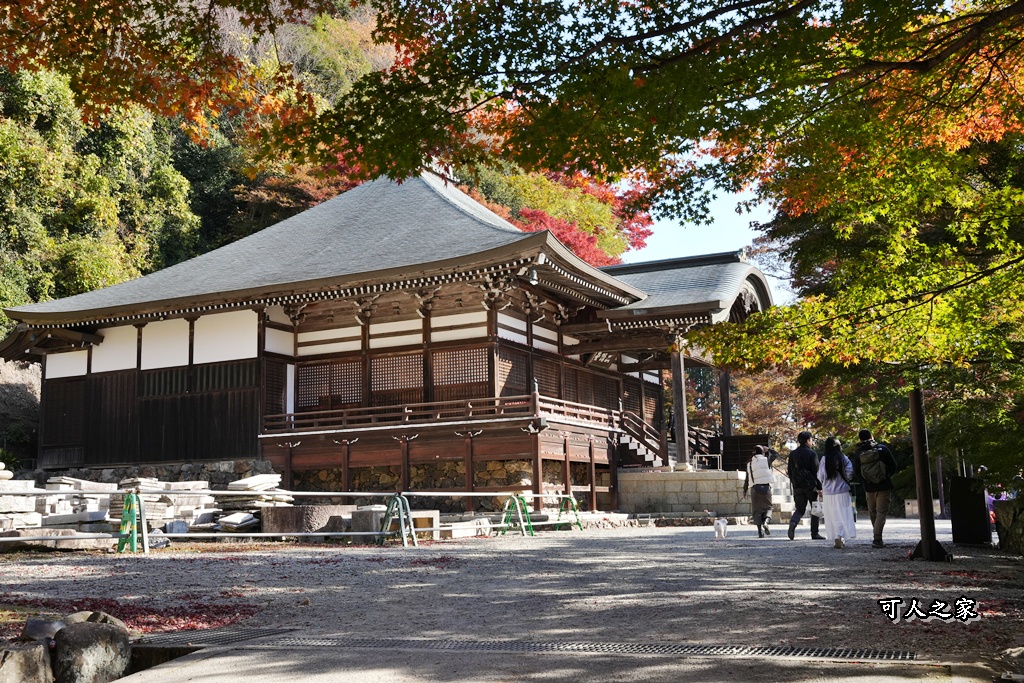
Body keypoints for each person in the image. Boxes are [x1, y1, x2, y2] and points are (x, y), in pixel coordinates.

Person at [852, 428, 897, 548]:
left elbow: (857, 472)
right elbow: (893, 466)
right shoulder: (882, 449)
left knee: (873, 512)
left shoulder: (858, 453)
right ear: (872, 436)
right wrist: (885, 476)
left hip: (869, 487)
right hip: (884, 485)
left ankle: (877, 536)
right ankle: (877, 539)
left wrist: (867, 479)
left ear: (860, 439)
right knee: (881, 512)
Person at [817, 436, 856, 549]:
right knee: (843, 513)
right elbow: (849, 472)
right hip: (842, 491)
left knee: (832, 515)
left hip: (828, 492)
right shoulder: (843, 458)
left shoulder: (824, 459)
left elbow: (821, 476)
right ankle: (840, 536)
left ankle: (836, 536)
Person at [787, 431, 825, 540]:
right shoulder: (812, 454)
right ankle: (814, 533)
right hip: (810, 486)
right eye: (811, 440)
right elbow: (816, 472)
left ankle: (793, 523)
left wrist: (794, 482)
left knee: (800, 509)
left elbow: (790, 471)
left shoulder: (792, 454)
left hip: (798, 485)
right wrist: (819, 487)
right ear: (808, 441)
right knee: (815, 509)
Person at [744, 445, 777, 538]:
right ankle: (766, 522)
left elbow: (747, 479)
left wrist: (744, 491)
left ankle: (760, 532)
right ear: (763, 452)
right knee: (768, 508)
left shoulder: (749, 464)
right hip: (766, 488)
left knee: (756, 511)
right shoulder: (767, 460)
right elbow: (776, 454)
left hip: (754, 489)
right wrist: (768, 449)